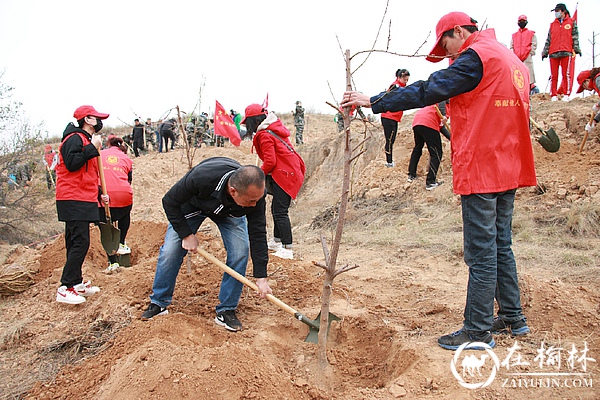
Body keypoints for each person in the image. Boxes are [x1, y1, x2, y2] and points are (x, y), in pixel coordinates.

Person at [341, 11, 536, 350]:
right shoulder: (509, 58)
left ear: (459, 31)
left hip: (483, 165)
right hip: (509, 163)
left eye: (447, 46)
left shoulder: (477, 57)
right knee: (501, 244)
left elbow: (429, 89)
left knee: (481, 252)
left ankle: (477, 331)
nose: (448, 56)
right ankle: (512, 318)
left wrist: (374, 100)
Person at [141, 157, 273, 332]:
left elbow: (258, 233)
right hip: (193, 206)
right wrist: (186, 234)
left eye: (257, 200)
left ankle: (226, 310)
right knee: (171, 251)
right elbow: (169, 201)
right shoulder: (202, 177)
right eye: (251, 201)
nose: (255, 205)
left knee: (240, 250)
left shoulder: (255, 195)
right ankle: (158, 302)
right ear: (233, 191)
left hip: (230, 213)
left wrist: (261, 276)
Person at [55, 105, 110, 305]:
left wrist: (99, 195)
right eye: (97, 118)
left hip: (82, 197)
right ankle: (65, 287)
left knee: (74, 241)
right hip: (72, 197)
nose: (100, 121)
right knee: (80, 242)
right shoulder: (74, 138)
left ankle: (76, 283)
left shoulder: (84, 140)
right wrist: (91, 148)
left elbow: (86, 174)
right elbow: (71, 163)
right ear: (87, 119)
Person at [243, 103, 306, 260]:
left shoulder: (265, 135)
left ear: (254, 121)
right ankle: (277, 242)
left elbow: (270, 161)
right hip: (289, 172)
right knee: (277, 208)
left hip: (285, 174)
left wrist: (257, 175)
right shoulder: (272, 129)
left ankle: (287, 247)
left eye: (248, 124)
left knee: (280, 211)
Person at [98, 135, 134, 272]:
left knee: (106, 226)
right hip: (124, 194)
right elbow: (129, 180)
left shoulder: (99, 154)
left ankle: (112, 261)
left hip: (104, 195)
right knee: (125, 214)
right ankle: (121, 242)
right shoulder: (126, 158)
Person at [541, 3, 581, 101]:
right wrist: (545, 51)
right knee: (554, 75)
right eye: (555, 11)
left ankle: (566, 94)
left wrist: (576, 48)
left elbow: (575, 37)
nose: (556, 13)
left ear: (563, 12)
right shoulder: (552, 24)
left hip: (566, 51)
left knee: (566, 74)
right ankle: (553, 94)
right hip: (553, 51)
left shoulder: (571, 22)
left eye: (558, 11)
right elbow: (548, 39)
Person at [408, 102, 448, 190]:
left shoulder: (431, 104)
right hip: (429, 123)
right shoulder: (444, 103)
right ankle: (430, 182)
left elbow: (441, 127)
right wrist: (444, 114)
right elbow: (442, 100)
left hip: (417, 122)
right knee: (437, 152)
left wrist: (452, 138)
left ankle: (411, 175)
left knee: (418, 148)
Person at [380, 69, 410, 167]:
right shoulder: (395, 87)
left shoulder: (401, 87)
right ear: (399, 77)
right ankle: (389, 162)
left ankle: (390, 160)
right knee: (389, 139)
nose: (406, 82)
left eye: (407, 80)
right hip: (388, 116)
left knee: (392, 139)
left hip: (394, 117)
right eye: (405, 80)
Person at [511, 15, 538, 95]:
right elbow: (511, 46)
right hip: (517, 58)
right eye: (520, 21)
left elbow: (534, 44)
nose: (521, 22)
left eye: (523, 21)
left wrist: (531, 53)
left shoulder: (531, 33)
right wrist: (513, 55)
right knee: (517, 74)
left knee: (529, 74)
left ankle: (530, 90)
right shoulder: (514, 35)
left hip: (527, 57)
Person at [576, 68, 600, 135]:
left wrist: (598, 104)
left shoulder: (598, 80)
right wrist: (595, 121)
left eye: (583, 86)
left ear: (587, 80)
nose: (585, 89)